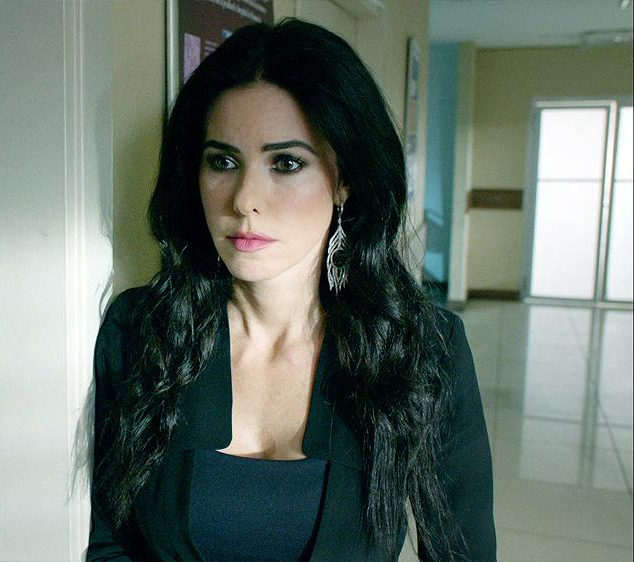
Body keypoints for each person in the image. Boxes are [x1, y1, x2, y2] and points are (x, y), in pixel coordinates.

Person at [88, 18, 496, 562]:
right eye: (223, 161)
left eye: (286, 163)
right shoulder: (142, 333)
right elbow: (110, 544)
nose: (244, 200)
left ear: (344, 179)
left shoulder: (423, 350)